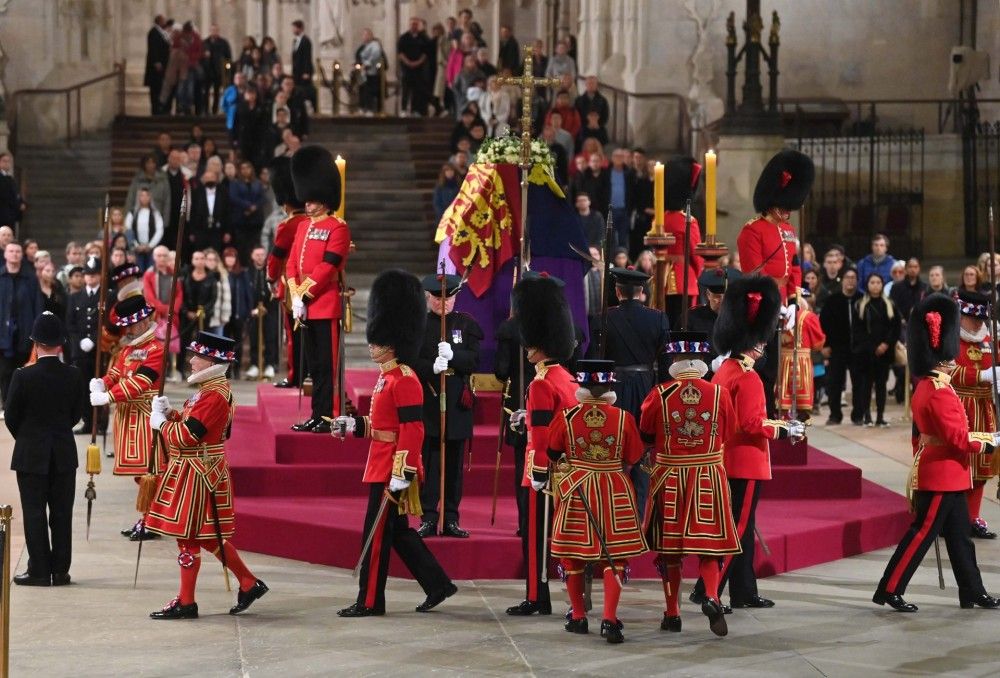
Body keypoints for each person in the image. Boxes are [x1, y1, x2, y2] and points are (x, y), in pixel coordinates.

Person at [332, 269, 456, 617]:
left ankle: (370, 601)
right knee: (397, 532)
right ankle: (438, 584)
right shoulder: (387, 377)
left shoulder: (404, 379)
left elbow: (413, 430)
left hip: (393, 470)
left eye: (378, 339)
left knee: (375, 538)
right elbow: (382, 425)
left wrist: (402, 473)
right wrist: (353, 424)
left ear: (392, 340)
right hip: (382, 463)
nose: (372, 344)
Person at [873, 293, 1000, 613]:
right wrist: (989, 441)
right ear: (941, 358)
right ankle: (889, 588)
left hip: (950, 474)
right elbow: (957, 438)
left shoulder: (932, 386)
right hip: (941, 473)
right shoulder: (939, 391)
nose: (954, 359)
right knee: (922, 534)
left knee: (960, 540)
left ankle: (972, 591)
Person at [691, 275, 803, 611]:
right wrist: (787, 430)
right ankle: (708, 590)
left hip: (727, 457)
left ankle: (743, 591)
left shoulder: (725, 369)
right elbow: (754, 423)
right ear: (755, 342)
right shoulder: (749, 376)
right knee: (737, 530)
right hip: (746, 461)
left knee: (740, 527)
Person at [145, 331, 268, 619]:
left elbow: (189, 437)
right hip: (201, 469)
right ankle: (249, 583)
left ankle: (187, 602)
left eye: (196, 357)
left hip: (198, 472)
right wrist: (172, 413)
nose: (190, 361)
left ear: (211, 361)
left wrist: (161, 425)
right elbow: (198, 425)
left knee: (188, 537)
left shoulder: (213, 395)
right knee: (206, 535)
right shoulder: (211, 388)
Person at [640, 331, 741, 637]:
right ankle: (711, 596)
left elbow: (645, 431)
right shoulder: (719, 393)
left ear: (674, 361)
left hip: (670, 477)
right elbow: (730, 431)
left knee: (670, 550)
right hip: (708, 475)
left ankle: (672, 614)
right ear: (702, 361)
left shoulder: (659, 394)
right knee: (708, 545)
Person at [547, 359, 646, 644]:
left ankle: (578, 616)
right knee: (613, 557)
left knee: (572, 555)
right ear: (609, 388)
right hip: (614, 489)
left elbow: (553, 453)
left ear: (580, 386)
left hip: (577, 488)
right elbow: (634, 456)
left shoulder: (566, 417)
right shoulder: (624, 418)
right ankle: (610, 619)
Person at [505, 272, 578, 617]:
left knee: (534, 540)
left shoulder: (540, 383)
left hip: (542, 471)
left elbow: (542, 434)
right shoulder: (564, 377)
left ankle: (537, 596)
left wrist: (537, 471)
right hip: (566, 469)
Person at [8, 312, 86, 586]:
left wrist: (28, 437)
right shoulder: (74, 375)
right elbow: (77, 414)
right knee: (62, 514)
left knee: (34, 513)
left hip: (31, 454)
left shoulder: (23, 376)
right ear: (61, 344)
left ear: (35, 343)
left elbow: (12, 416)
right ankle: (61, 570)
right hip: (63, 453)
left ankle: (39, 570)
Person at [737, 150, 814, 417]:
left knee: (781, 365)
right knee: (762, 362)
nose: (788, 211)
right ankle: (761, 412)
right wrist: (774, 304)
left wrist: (792, 302)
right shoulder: (752, 230)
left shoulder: (789, 232)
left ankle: (777, 413)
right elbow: (753, 273)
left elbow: (794, 269)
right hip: (761, 303)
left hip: (783, 302)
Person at [412, 274, 482, 537]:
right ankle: (429, 516)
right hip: (429, 400)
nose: (444, 303)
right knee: (431, 462)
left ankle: (451, 517)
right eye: (438, 298)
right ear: (429, 298)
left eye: (449, 298)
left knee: (454, 466)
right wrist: (431, 367)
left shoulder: (465, 324)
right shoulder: (419, 325)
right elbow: (410, 361)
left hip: (456, 402)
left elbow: (475, 360)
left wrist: (454, 357)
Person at [88, 296, 164, 539]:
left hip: (145, 416)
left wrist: (108, 396)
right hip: (127, 417)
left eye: (132, 324)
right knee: (138, 473)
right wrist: (103, 382)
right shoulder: (129, 349)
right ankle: (147, 518)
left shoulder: (155, 350)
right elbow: (117, 371)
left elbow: (139, 383)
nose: (128, 329)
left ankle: (151, 520)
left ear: (144, 321)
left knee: (149, 473)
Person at [287, 146, 350, 432]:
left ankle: (328, 415)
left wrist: (304, 293)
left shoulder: (338, 228)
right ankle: (316, 414)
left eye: (313, 201)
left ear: (325, 200)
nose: (308, 206)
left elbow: (329, 266)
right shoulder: (302, 227)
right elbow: (291, 264)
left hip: (324, 306)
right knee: (313, 366)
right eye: (307, 200)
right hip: (304, 308)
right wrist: (294, 295)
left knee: (327, 367)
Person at [603, 267, 669, 516]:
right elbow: (665, 362)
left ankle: (612, 512)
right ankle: (639, 515)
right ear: (641, 291)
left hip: (614, 387)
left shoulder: (604, 316)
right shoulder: (658, 318)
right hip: (645, 388)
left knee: (615, 449)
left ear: (617, 291)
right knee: (642, 452)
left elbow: (597, 357)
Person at [950, 289, 1000, 539]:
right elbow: (947, 370)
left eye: (982, 320)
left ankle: (973, 517)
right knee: (960, 464)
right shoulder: (951, 338)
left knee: (982, 464)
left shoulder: (989, 339)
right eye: (974, 319)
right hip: (958, 406)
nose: (978, 324)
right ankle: (953, 518)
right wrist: (980, 376)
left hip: (985, 408)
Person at [264, 157, 307, 388]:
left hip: (290, 286)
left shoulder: (287, 224)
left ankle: (294, 375)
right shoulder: (311, 221)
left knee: (292, 335)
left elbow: (276, 257)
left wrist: (270, 277)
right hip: (310, 283)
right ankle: (306, 373)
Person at [852, 273, 901, 427]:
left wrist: (886, 344)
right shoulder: (860, 305)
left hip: (885, 353)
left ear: (882, 284)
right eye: (872, 282)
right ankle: (867, 415)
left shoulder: (890, 304)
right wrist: (872, 347)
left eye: (878, 282)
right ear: (867, 285)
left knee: (881, 385)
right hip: (866, 353)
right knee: (866, 385)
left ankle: (880, 416)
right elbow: (857, 330)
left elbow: (895, 327)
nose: (875, 285)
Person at [661, 155, 705, 329]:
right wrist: (699, 271)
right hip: (684, 278)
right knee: (684, 325)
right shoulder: (688, 220)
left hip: (663, 277)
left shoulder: (662, 218)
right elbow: (697, 253)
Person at [776, 291, 826, 421]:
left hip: (782, 361)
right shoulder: (809, 316)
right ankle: (800, 429)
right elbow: (818, 343)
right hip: (802, 362)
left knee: (783, 399)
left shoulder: (780, 316)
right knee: (802, 405)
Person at [820, 268, 861, 425]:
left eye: (853, 277)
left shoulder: (862, 299)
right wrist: (824, 345)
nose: (850, 280)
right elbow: (823, 325)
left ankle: (858, 415)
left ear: (857, 280)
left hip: (857, 350)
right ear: (842, 280)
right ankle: (834, 415)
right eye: (847, 277)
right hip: (836, 348)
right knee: (835, 383)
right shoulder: (832, 301)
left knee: (859, 384)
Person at [65, 257, 102, 432]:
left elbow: (108, 324)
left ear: (100, 275)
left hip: (100, 349)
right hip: (80, 350)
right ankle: (87, 421)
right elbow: (70, 324)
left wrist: (94, 339)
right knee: (83, 386)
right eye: (88, 274)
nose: (90, 278)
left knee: (100, 384)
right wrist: (80, 341)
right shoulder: (74, 297)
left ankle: (100, 423)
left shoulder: (106, 295)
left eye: (94, 274)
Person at [689, 268, 740, 377]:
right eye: (717, 296)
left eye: (725, 297)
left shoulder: (740, 319)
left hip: (733, 378)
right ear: (708, 294)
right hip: (703, 379)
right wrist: (709, 367)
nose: (722, 301)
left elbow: (759, 358)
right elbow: (683, 356)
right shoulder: (692, 318)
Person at [247, 246, 278, 380]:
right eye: (257, 254)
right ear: (252, 256)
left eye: (262, 254)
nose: (260, 257)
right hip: (253, 310)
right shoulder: (248, 272)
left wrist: (266, 307)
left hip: (269, 310)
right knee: (254, 337)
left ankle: (270, 365)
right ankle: (254, 364)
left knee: (270, 337)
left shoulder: (271, 271)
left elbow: (275, 290)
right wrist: (252, 309)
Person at [229, 160, 266, 262]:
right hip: (241, 219)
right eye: (243, 168)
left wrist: (254, 207)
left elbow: (262, 198)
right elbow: (234, 198)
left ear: (251, 169)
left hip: (255, 221)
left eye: (247, 168)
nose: (245, 170)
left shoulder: (258, 183)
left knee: (254, 245)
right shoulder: (235, 183)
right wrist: (248, 206)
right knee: (242, 246)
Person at [398, 17, 430, 117]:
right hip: (406, 69)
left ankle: (415, 110)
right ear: (409, 25)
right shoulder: (403, 37)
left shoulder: (423, 38)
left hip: (419, 69)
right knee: (406, 89)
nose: (414, 26)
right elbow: (400, 53)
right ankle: (403, 109)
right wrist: (408, 62)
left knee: (417, 90)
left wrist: (417, 62)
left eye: (416, 24)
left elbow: (425, 53)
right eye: (412, 24)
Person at [144, 16, 171, 115]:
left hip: (162, 66)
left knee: (160, 88)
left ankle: (160, 109)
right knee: (155, 89)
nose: (165, 22)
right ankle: (155, 110)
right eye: (163, 20)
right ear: (159, 21)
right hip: (156, 67)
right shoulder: (154, 32)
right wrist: (157, 62)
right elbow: (153, 48)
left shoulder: (161, 32)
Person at [355, 28, 385, 115]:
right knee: (362, 90)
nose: (364, 37)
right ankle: (362, 107)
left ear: (371, 36)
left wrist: (367, 64)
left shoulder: (375, 46)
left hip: (372, 73)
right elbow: (359, 57)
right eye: (363, 35)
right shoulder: (362, 47)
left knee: (370, 91)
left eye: (366, 35)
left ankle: (370, 108)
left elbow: (376, 57)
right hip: (362, 73)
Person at [290, 20, 316, 110]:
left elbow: (307, 57)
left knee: (305, 90)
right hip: (297, 71)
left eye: (294, 28)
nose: (293, 30)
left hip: (303, 71)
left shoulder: (306, 41)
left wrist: (306, 72)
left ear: (299, 28)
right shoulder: (295, 41)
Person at [0, 153, 25, 230]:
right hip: (2, 214)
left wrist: (21, 202)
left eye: (8, 161)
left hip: (10, 215)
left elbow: (15, 193)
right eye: (4, 161)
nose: (7, 163)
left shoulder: (10, 178)